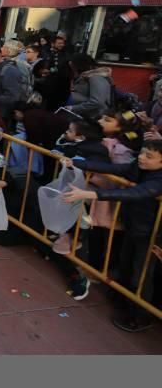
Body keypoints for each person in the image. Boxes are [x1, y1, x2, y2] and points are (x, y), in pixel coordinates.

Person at [62, 142, 162, 332]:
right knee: (125, 263)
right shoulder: (138, 167)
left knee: (141, 274)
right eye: (142, 153)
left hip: (151, 234)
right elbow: (113, 168)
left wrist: (90, 193)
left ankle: (140, 316)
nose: (141, 157)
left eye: (149, 156)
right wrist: (75, 162)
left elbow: (136, 193)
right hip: (134, 225)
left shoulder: (159, 180)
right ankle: (123, 298)